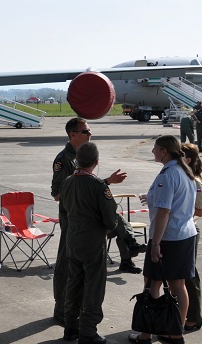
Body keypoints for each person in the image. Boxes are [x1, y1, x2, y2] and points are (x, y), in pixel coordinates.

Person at [50, 118, 141, 325]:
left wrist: (106, 182)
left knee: (77, 271)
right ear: (73, 134)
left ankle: (73, 312)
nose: (90, 134)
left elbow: (83, 184)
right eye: (85, 131)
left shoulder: (80, 157)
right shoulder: (63, 160)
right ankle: (61, 309)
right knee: (66, 266)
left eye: (89, 131)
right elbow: (57, 194)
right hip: (72, 220)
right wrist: (97, 187)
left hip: (84, 221)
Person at [129, 135, 198, 344]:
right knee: (179, 285)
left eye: (155, 148)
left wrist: (156, 243)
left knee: (151, 284)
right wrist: (149, 197)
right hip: (185, 234)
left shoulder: (167, 175)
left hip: (167, 238)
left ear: (164, 151)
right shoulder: (185, 172)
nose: (153, 152)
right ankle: (177, 332)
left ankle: (145, 335)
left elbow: (164, 211)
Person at [59, 142, 118, 344]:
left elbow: (64, 210)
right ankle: (88, 331)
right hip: (92, 239)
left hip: (73, 238)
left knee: (74, 282)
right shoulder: (98, 186)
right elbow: (110, 217)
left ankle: (70, 326)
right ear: (96, 162)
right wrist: (111, 228)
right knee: (93, 285)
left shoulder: (67, 182)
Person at [181, 143, 202, 331]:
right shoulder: (181, 177)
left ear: (187, 160)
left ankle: (194, 317)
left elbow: (200, 210)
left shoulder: (195, 181)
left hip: (190, 230)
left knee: (189, 275)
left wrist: (184, 218)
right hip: (180, 231)